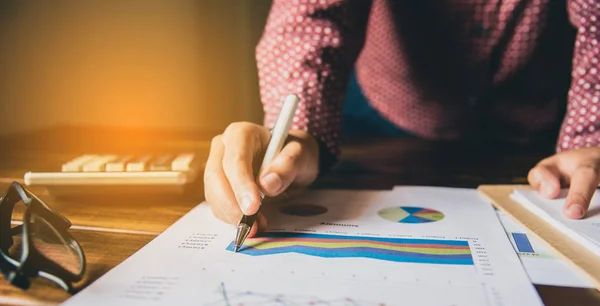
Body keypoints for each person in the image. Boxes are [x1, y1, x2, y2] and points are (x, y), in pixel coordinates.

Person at [204, 0, 600, 234]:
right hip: (382, 118)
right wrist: (299, 135)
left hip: (538, 132)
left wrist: (590, 135)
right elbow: (311, 16)